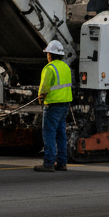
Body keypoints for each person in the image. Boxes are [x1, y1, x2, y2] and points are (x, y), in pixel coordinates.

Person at [34, 40, 73, 173]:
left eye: (48, 53)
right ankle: (62, 163)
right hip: (65, 105)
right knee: (61, 134)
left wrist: (40, 99)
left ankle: (49, 163)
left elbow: (44, 88)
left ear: (50, 55)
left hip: (53, 105)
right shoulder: (66, 67)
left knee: (49, 134)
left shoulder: (49, 68)